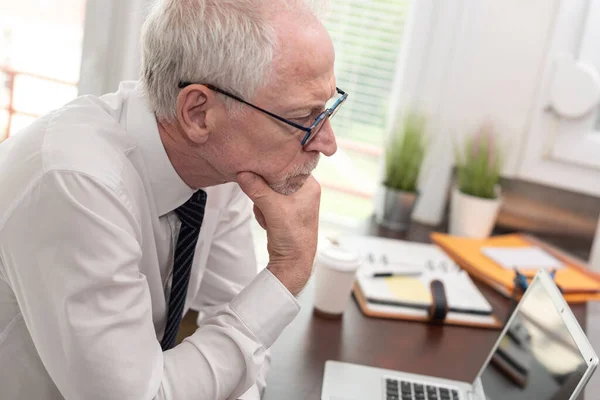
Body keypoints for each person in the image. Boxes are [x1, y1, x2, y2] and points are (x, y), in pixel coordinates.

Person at [0, 0, 344, 398]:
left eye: (329, 108)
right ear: (199, 113)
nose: (329, 144)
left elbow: (245, 334)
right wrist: (288, 271)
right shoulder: (76, 184)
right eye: (304, 117)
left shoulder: (225, 165)